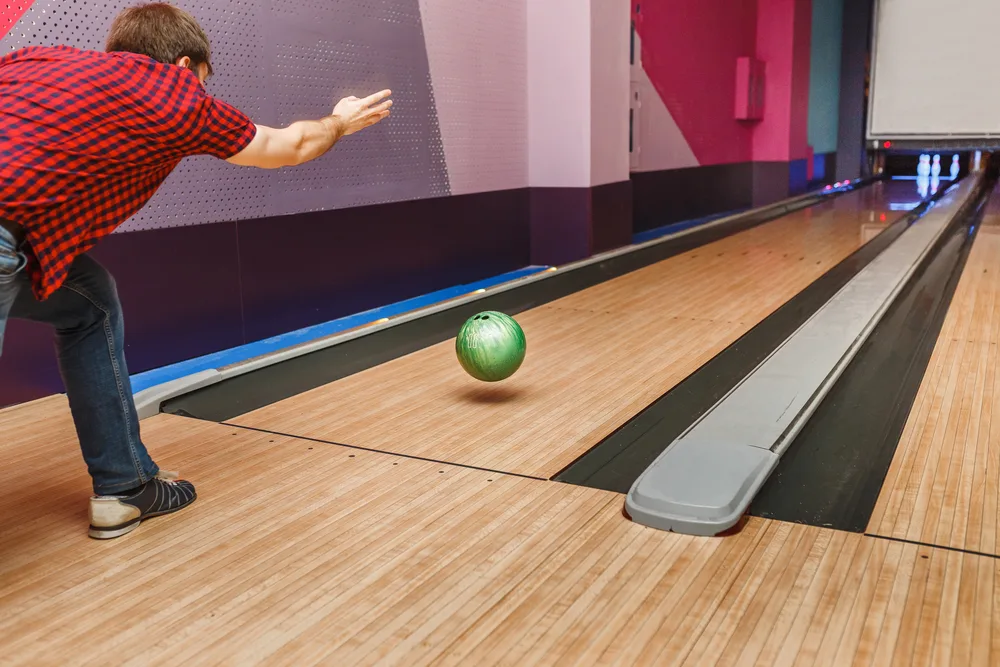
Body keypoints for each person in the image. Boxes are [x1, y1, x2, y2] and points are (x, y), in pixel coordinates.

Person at [0, 3, 392, 539]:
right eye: (204, 79)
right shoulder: (175, 95)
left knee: (90, 300)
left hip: (13, 236)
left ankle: (124, 487)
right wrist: (340, 122)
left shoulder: (33, 59)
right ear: (186, 66)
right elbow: (290, 145)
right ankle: (121, 487)